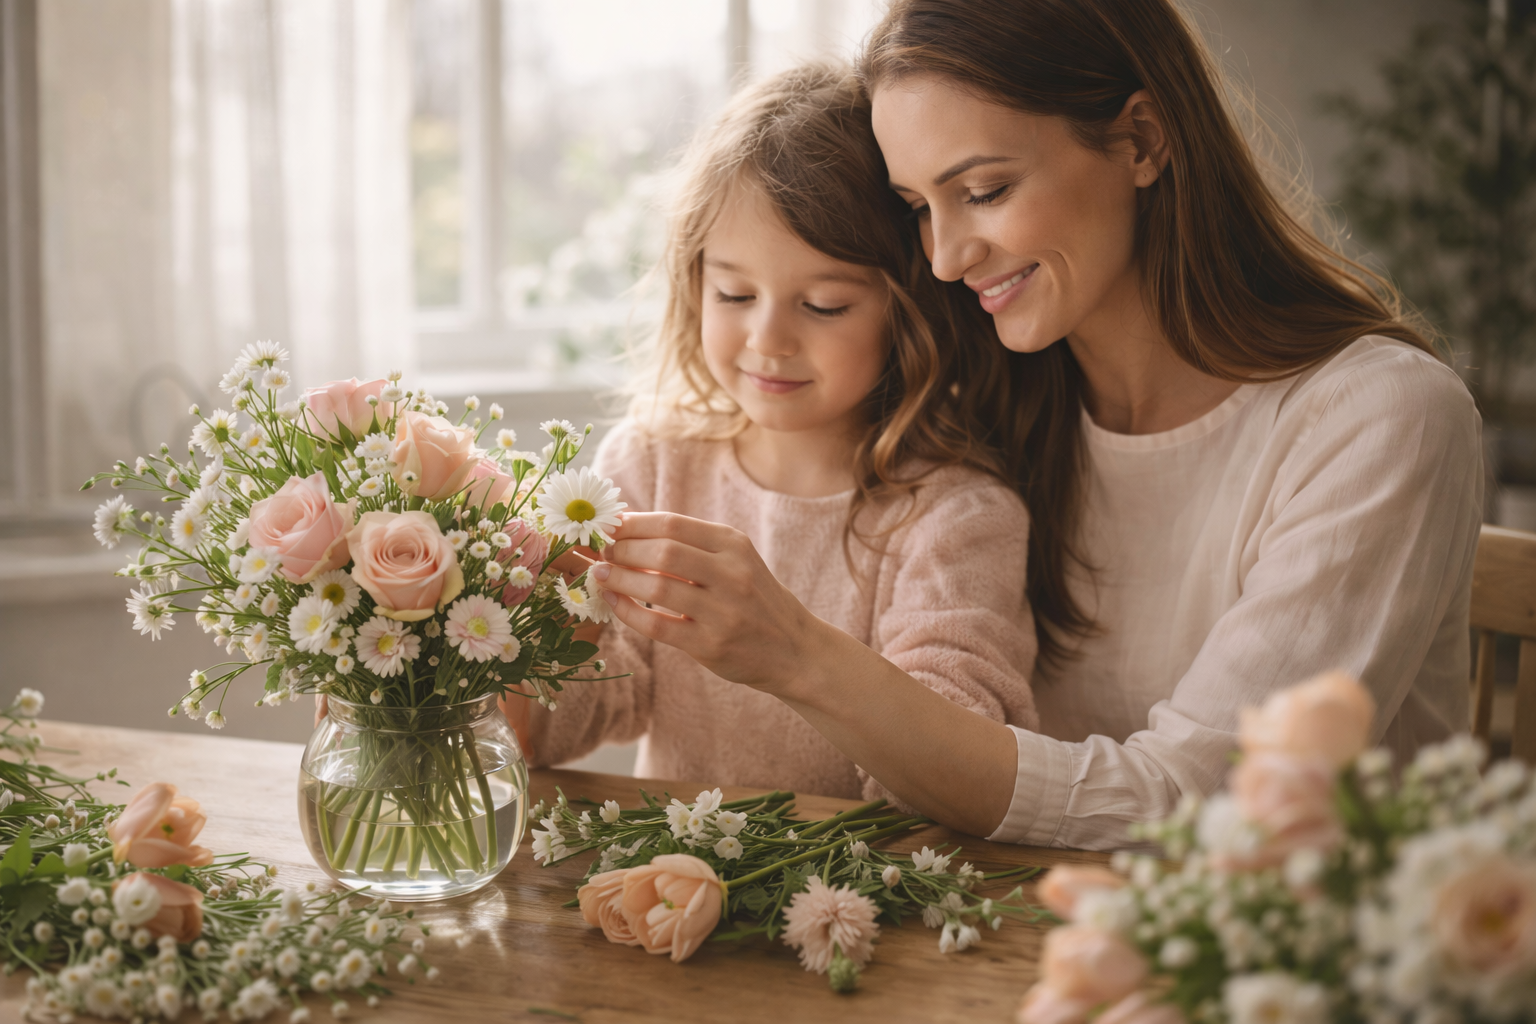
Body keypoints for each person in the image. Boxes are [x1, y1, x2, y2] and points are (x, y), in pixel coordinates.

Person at [586, 0, 1483, 849]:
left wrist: (795, 655)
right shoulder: (992, 405)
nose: (945, 258)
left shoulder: (1376, 418)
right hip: (1041, 921)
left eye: (985, 189)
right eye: (917, 209)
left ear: (1141, 140)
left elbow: (1202, 807)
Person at [508, 63, 1039, 802]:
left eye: (823, 305)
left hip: (858, 875)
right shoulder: (652, 466)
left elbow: (950, 777)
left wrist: (789, 651)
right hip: (668, 870)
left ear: (908, 309)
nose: (768, 339)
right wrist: (525, 630)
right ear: (695, 283)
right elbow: (561, 729)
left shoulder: (955, 518)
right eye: (734, 293)